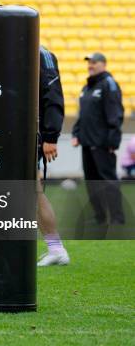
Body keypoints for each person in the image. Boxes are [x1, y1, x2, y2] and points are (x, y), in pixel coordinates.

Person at [72, 52, 125, 225]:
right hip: (87, 143)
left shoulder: (109, 84)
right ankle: (100, 216)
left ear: (103, 64)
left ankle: (117, 218)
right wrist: (76, 133)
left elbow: (115, 115)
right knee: (91, 182)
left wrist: (113, 141)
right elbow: (82, 116)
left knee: (108, 181)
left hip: (103, 144)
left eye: (94, 62)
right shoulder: (86, 88)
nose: (90, 66)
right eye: (89, 63)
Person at [36, 46, 70, 266]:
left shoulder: (41, 54)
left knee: (30, 189)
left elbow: (53, 93)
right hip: (12, 130)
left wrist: (50, 136)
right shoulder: (9, 46)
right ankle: (55, 247)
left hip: (31, 132)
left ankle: (56, 248)